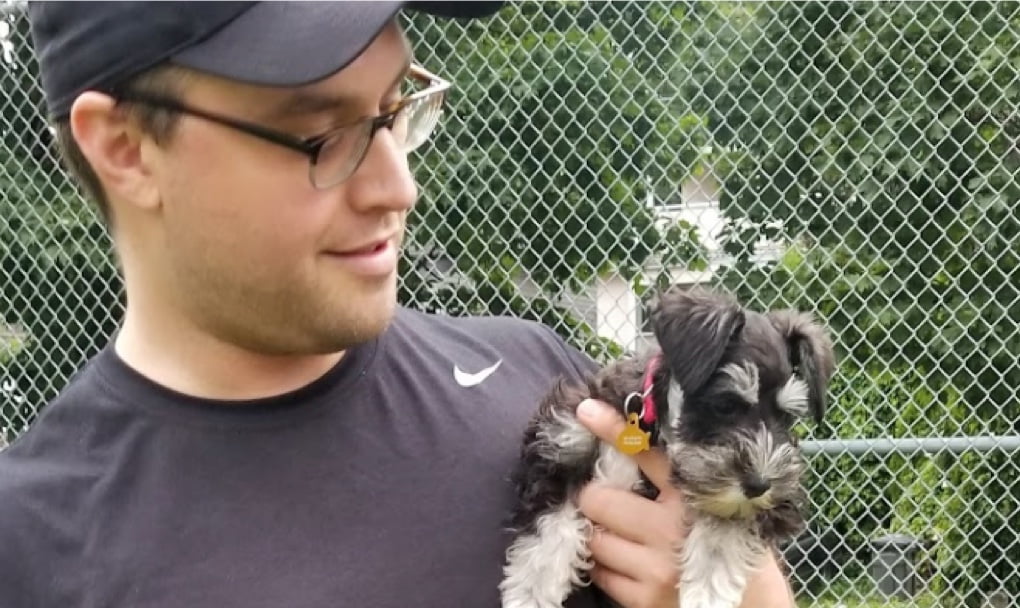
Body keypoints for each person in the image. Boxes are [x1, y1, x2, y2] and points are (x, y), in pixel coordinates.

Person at [0, 2, 796, 607]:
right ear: (126, 149)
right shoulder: (34, 546)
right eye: (319, 135)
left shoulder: (544, 384)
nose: (397, 187)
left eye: (393, 108)